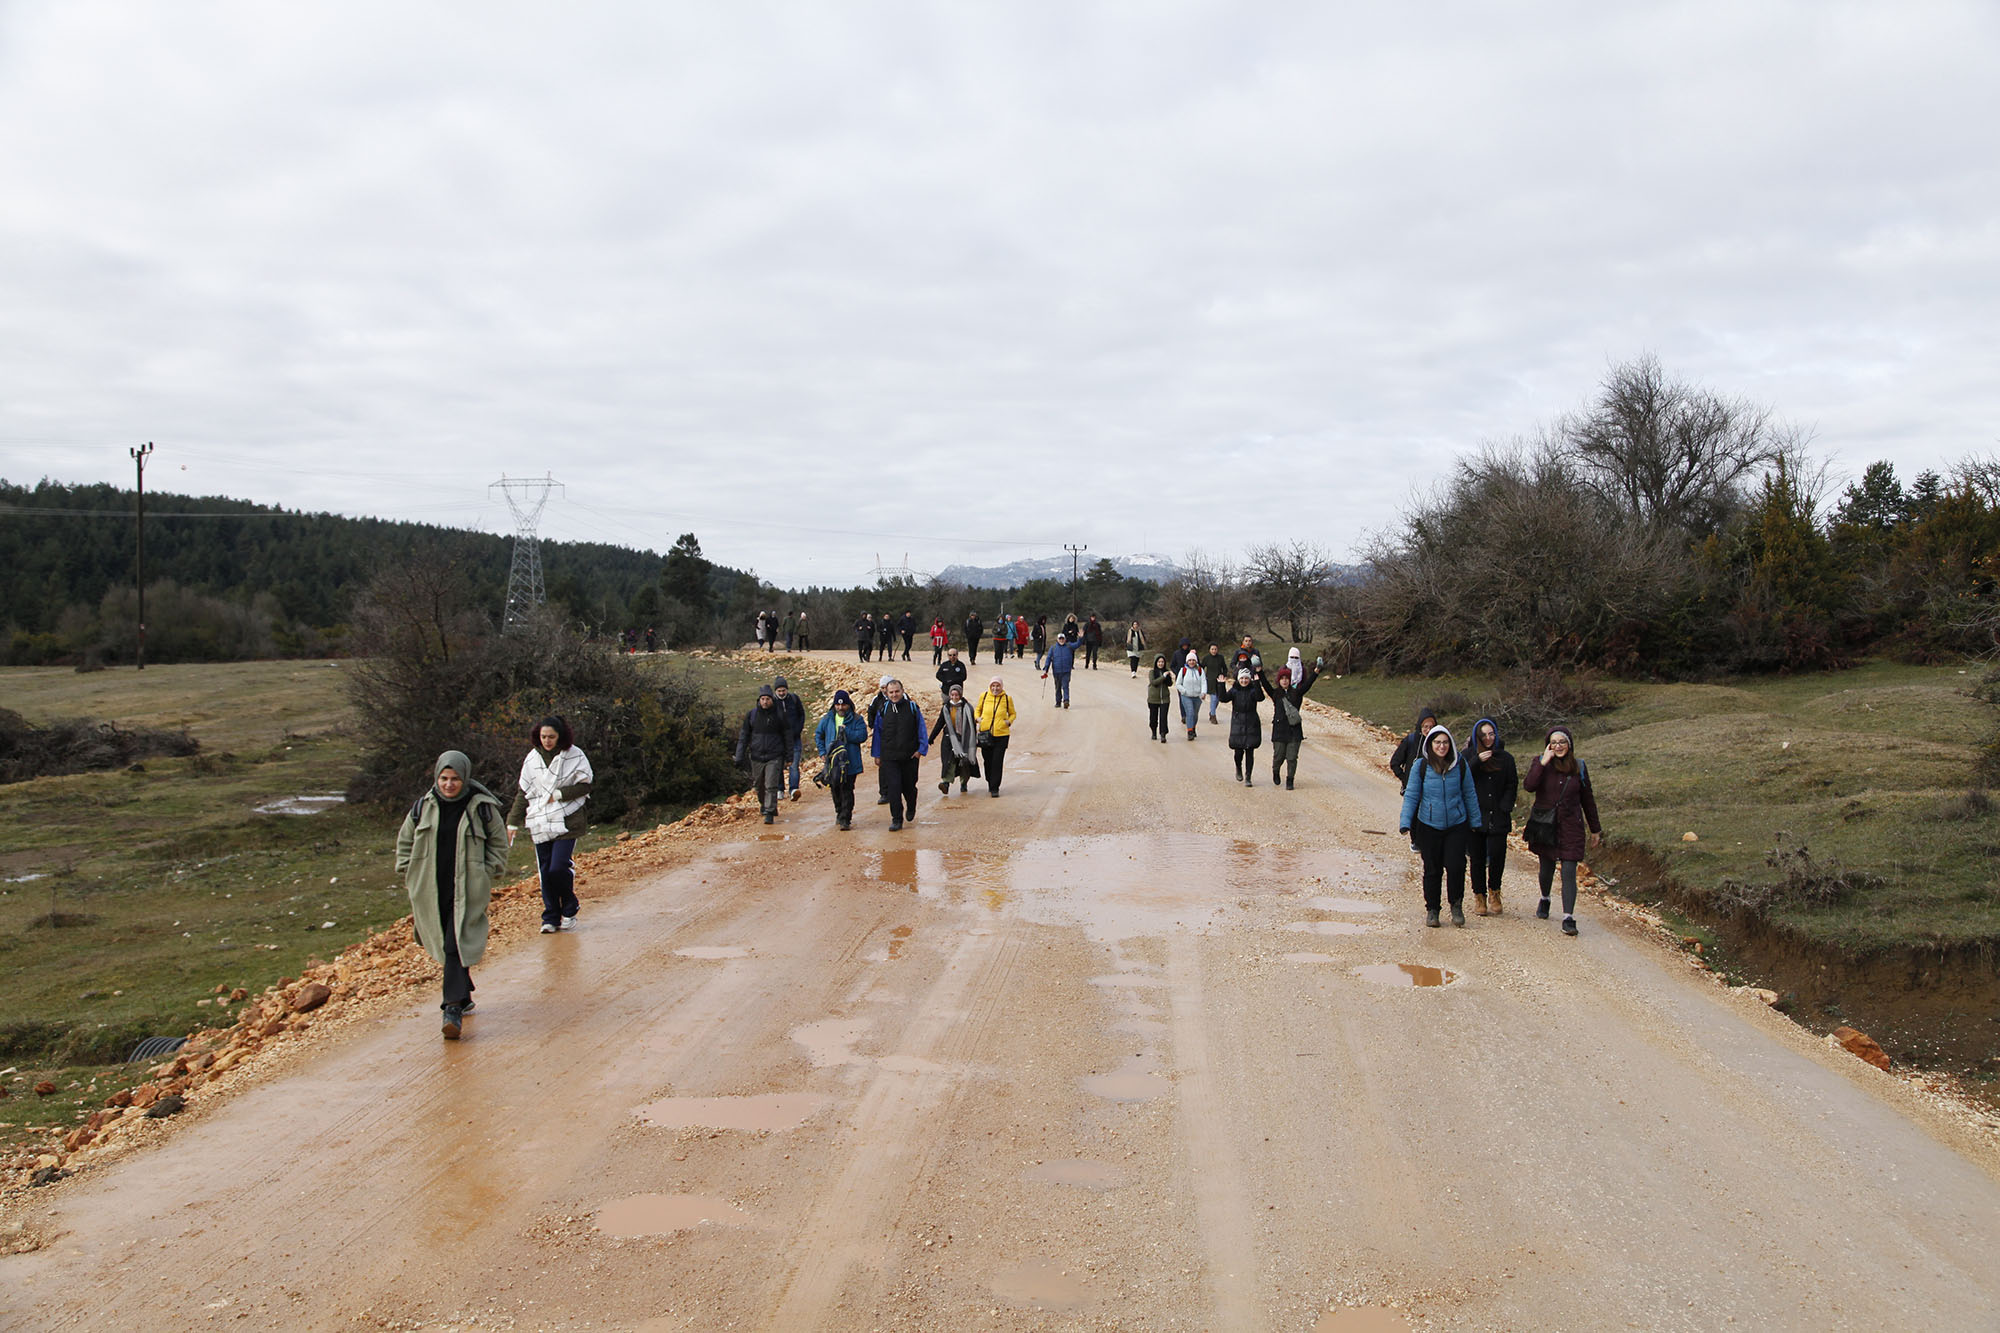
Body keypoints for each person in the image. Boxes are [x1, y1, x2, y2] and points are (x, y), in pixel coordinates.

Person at [397, 750, 509, 1040]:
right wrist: (408, 870)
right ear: (437, 778)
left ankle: (453, 1008)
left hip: (468, 889)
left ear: (465, 778)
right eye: (444, 778)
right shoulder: (423, 806)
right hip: (432, 888)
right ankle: (464, 991)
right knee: (449, 942)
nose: (449, 784)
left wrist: (487, 870)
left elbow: (498, 843)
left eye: (455, 779)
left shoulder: (481, 808)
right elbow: (406, 840)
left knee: (454, 943)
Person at [506, 715, 593, 934]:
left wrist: (559, 794)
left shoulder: (575, 756)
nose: (547, 741)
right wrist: (512, 823)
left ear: (560, 736)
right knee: (545, 870)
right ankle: (551, 916)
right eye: (544, 736)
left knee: (558, 866)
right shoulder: (532, 759)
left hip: (567, 820)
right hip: (541, 820)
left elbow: (585, 786)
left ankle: (570, 906)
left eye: (551, 737)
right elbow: (523, 792)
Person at [1400, 726, 1482, 928]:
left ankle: (1456, 905)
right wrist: (1405, 821)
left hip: (1456, 824)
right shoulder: (1421, 766)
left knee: (1456, 866)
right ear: (1430, 744)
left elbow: (1469, 793)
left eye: (1445, 742)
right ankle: (1433, 910)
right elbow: (1411, 795)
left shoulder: (1460, 764)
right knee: (1432, 869)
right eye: (1437, 742)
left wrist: (1475, 820)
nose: (1442, 746)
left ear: (1450, 744)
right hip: (1429, 825)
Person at [1523, 726, 1602, 936]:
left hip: (1571, 826)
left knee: (1568, 870)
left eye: (1562, 742)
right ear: (1548, 745)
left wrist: (1595, 829)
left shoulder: (1579, 767)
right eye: (1554, 742)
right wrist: (1543, 762)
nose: (1558, 746)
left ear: (1570, 745)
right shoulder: (1540, 763)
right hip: (1545, 825)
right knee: (1546, 866)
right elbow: (1529, 786)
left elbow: (1588, 799)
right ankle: (1545, 898)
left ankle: (1568, 917)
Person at [1463, 718, 1518, 916]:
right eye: (1484, 734)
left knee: (1497, 856)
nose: (1488, 738)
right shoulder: (1468, 755)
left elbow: (1512, 784)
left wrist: (1505, 805)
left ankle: (1495, 891)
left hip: (1498, 815)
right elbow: (1462, 777)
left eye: (1491, 734)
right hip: (1476, 814)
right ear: (1477, 735)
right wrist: (1477, 761)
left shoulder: (1506, 758)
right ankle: (1479, 896)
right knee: (1476, 858)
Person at [870, 678, 929, 830]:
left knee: (909, 787)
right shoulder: (883, 710)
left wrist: (920, 750)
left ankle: (911, 804)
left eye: (897, 691)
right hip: (889, 757)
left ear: (902, 691)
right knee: (894, 789)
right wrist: (877, 754)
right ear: (887, 693)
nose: (894, 695)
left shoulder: (912, 708)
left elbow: (921, 729)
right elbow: (878, 733)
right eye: (891, 692)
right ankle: (896, 819)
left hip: (909, 756)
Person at [1260, 655, 1323, 789]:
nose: (1284, 681)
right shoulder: (1275, 693)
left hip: (1294, 731)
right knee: (1278, 757)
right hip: (1279, 731)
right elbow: (1265, 684)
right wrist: (1259, 670)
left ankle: (1290, 780)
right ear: (1279, 680)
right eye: (1282, 678)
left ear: (1290, 680)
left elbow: (1309, 683)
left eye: (1286, 678)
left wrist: (1317, 670)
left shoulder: (1297, 693)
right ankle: (1276, 771)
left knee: (1292, 757)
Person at [813, 690, 868, 830]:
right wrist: (822, 752)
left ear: (849, 705)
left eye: (843, 705)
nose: (840, 708)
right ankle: (839, 812)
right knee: (835, 788)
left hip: (850, 762)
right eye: (838, 705)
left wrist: (846, 732)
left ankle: (845, 818)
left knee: (847, 789)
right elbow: (818, 735)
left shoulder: (856, 719)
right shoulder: (827, 719)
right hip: (833, 763)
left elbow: (862, 736)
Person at [736, 686, 790, 824]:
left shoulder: (779, 715)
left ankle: (769, 811)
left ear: (772, 700)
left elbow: (787, 736)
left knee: (771, 784)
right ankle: (764, 804)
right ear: (759, 700)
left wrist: (789, 756)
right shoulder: (752, 715)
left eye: (767, 699)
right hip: (756, 756)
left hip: (774, 756)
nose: (765, 702)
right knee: (759, 785)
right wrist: (739, 755)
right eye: (763, 699)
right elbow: (744, 736)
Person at [1214, 666, 1268, 784]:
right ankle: (1238, 768)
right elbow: (1223, 698)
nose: (1244, 681)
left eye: (1246, 678)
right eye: (1242, 678)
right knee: (1238, 751)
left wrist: (1257, 683)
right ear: (1238, 679)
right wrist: (1221, 685)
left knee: (1250, 751)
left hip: (1251, 723)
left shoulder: (1253, 690)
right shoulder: (1234, 690)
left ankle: (1248, 776)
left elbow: (1260, 698)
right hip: (1238, 723)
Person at [930, 681, 981, 796]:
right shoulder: (946, 708)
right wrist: (931, 737)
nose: (954, 697)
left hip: (964, 739)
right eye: (952, 695)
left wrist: (974, 740)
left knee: (964, 762)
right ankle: (946, 783)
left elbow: (972, 726)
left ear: (960, 695)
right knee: (949, 761)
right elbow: (940, 723)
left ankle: (964, 783)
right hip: (949, 738)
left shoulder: (967, 708)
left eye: (956, 695)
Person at [974, 675, 1016, 796]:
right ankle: (990, 781)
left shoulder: (1007, 698)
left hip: (1001, 735)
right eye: (993, 685)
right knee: (988, 761)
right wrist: (978, 719)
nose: (995, 688)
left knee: (997, 761)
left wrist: (1009, 721)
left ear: (1001, 687)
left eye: (998, 686)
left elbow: (1013, 713)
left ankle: (994, 788)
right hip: (986, 734)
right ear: (990, 686)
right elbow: (978, 709)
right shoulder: (984, 696)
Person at [772, 675, 806, 801]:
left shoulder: (794, 699)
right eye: (779, 691)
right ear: (775, 691)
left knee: (794, 764)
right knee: (778, 765)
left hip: (794, 739)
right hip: (778, 740)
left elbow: (801, 715)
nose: (781, 693)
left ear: (787, 689)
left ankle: (793, 789)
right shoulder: (772, 702)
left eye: (783, 690)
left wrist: (797, 730)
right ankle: (780, 789)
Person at [1388, 705, 1440, 786]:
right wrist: (1405, 779)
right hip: (1412, 788)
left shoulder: (1439, 743)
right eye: (1425, 727)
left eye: (1431, 727)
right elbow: (1394, 763)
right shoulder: (1410, 741)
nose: (1428, 730)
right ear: (1420, 726)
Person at [1175, 650, 1207, 739]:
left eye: (1193, 660)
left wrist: (1203, 692)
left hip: (1197, 696)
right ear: (1187, 661)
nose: (1191, 662)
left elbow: (1203, 682)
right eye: (1190, 660)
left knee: (1195, 715)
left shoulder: (1200, 670)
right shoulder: (1183, 670)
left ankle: (1193, 728)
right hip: (1186, 696)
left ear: (1196, 661)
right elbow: (1178, 684)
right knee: (1190, 712)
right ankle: (1189, 731)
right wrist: (1184, 691)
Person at [1044, 630, 1077, 708]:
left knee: (1065, 686)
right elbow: (1048, 658)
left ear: (1065, 639)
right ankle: (1058, 702)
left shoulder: (1069, 646)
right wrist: (1046, 668)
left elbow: (1077, 644)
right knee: (1058, 687)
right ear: (1057, 639)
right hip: (1056, 671)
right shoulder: (1053, 648)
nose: (1061, 640)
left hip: (1066, 671)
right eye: (1060, 639)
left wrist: (1081, 638)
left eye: (1063, 639)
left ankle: (1066, 701)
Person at [1145, 653, 1174, 742]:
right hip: (1153, 699)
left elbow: (1170, 684)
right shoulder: (1152, 672)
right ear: (1155, 663)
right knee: (1153, 718)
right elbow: (1154, 682)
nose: (1161, 664)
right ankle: (1154, 732)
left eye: (1162, 662)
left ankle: (1163, 734)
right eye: (1159, 662)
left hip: (1165, 699)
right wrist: (1163, 676)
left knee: (1163, 718)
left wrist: (1169, 676)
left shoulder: (1166, 671)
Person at [1203, 644, 1227, 723]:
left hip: (1219, 680)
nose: (1214, 651)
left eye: (1215, 649)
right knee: (1213, 698)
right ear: (1209, 650)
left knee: (1218, 699)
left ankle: (1211, 712)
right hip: (1210, 680)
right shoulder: (1206, 658)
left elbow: (1224, 668)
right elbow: (1201, 667)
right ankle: (1213, 716)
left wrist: (1224, 675)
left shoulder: (1220, 658)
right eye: (1212, 649)